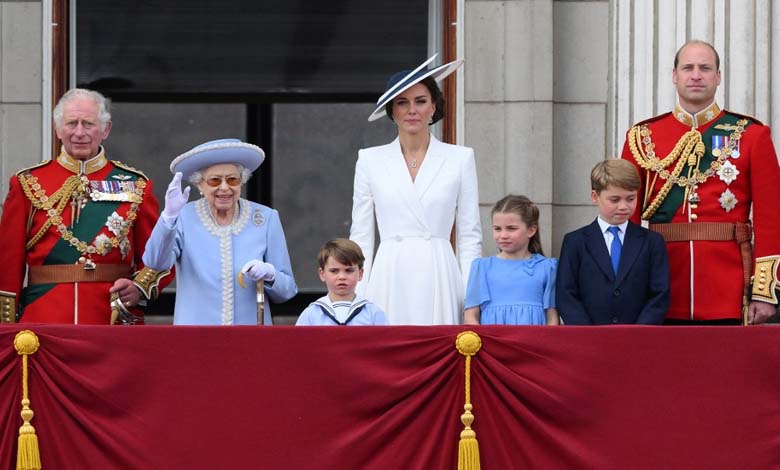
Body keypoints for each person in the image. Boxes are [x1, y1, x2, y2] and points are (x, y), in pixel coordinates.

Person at [621, 40, 780, 325]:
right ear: (674, 76)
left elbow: (772, 218)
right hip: (661, 286)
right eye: (688, 68)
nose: (696, 75)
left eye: (705, 68)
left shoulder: (751, 135)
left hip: (730, 289)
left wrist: (764, 291)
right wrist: (628, 285)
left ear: (718, 77)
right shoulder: (643, 137)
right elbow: (625, 218)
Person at [0, 88, 169, 324]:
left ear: (105, 129)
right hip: (43, 318)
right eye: (71, 123)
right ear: (58, 129)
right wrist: (5, 328)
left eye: (88, 124)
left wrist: (139, 288)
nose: (79, 132)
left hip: (111, 318)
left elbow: (158, 256)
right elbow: (8, 264)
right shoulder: (27, 182)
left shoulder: (136, 185)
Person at [350, 54, 482, 325]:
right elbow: (360, 235)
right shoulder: (369, 159)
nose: (412, 110)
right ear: (392, 111)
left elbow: (470, 236)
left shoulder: (460, 158)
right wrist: (358, 295)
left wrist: (471, 299)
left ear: (434, 106)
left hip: (440, 272)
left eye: (420, 101)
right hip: (389, 273)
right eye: (402, 103)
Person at [142, 139, 297, 325]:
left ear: (242, 182)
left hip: (249, 338)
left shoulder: (266, 218)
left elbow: (287, 291)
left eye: (232, 179)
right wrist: (168, 217)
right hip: (196, 337)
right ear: (200, 185)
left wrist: (271, 275)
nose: (224, 187)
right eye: (215, 180)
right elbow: (155, 262)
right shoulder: (183, 217)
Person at [556, 159, 670, 325]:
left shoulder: (652, 242)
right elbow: (566, 293)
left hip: (638, 338)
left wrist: (641, 331)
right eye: (615, 200)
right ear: (595, 197)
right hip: (590, 338)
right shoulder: (575, 242)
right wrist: (586, 333)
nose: (624, 206)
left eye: (630, 199)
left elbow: (660, 293)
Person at [464, 195, 558, 325]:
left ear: (531, 230)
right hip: (493, 341)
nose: (503, 235)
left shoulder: (547, 267)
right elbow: (471, 315)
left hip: (532, 342)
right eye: (497, 229)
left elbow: (552, 317)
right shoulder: (482, 267)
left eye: (511, 228)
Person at [296, 238, 388, 326]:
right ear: (322, 273)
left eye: (349, 270)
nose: (342, 277)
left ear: (360, 273)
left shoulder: (373, 314)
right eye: (334, 271)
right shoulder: (310, 315)